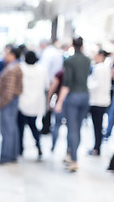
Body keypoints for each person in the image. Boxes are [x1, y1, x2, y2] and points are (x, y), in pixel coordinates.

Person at [55, 37, 91, 172]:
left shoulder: (69, 61)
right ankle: (71, 154)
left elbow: (67, 83)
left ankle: (74, 159)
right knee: (78, 128)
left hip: (73, 97)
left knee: (72, 129)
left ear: (72, 45)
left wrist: (59, 102)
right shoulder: (87, 60)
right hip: (85, 96)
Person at [17, 51, 48, 158]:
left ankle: (20, 149)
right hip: (36, 103)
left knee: (20, 127)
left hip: (22, 102)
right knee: (33, 126)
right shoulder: (42, 69)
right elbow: (46, 85)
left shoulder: (21, 68)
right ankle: (38, 145)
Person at [0, 47, 23, 164]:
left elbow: (9, 91)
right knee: (12, 128)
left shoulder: (12, 68)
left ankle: (5, 156)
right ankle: (12, 155)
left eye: (6, 54)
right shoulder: (15, 66)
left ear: (12, 55)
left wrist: (1, 103)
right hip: (13, 101)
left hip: (9, 102)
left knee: (7, 129)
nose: (4, 56)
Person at [87, 50, 111, 156]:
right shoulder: (106, 68)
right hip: (103, 100)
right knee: (99, 126)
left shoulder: (99, 68)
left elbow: (95, 84)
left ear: (101, 56)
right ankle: (97, 147)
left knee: (97, 126)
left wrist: (86, 85)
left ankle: (97, 148)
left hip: (96, 101)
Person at [39, 39, 64, 134]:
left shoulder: (48, 53)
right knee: (50, 104)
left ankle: (46, 126)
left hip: (49, 82)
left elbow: (43, 69)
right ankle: (47, 125)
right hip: (56, 81)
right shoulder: (55, 52)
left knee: (47, 104)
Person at [48, 69, 66, 152]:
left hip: (60, 102)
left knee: (56, 125)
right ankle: (69, 150)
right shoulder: (78, 73)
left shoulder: (60, 73)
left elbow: (53, 87)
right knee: (72, 127)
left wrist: (48, 99)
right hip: (71, 104)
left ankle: (53, 145)